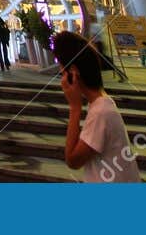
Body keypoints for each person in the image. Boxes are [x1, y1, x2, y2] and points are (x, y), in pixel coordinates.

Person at [54, 30, 138, 182]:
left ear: (73, 72)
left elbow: (73, 160)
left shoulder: (100, 112)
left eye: (62, 70)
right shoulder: (103, 104)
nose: (62, 76)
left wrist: (75, 108)